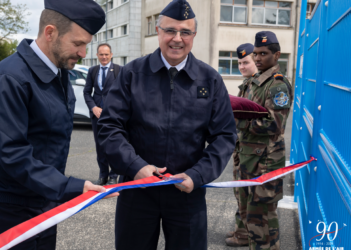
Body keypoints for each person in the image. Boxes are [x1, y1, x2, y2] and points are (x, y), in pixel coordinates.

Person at [0, 0, 118, 249]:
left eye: (86, 45)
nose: (84, 54)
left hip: (41, 196)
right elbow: (12, 152)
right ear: (50, 33)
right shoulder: (9, 78)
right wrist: (71, 186)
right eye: (78, 43)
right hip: (8, 205)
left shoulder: (58, 73)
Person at [97, 0, 237, 249]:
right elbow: (110, 127)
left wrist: (197, 175)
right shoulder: (132, 74)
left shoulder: (210, 79)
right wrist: (135, 166)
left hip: (187, 192)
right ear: (158, 31)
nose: (177, 38)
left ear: (194, 35)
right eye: (170, 30)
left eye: (185, 32)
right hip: (137, 189)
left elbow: (225, 136)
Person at [225, 31, 293, 249]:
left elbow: (274, 124)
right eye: (256, 54)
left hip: (264, 163)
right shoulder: (256, 82)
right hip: (248, 159)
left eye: (263, 54)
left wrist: (238, 122)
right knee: (250, 218)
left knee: (262, 221)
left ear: (277, 55)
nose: (257, 58)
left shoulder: (277, 85)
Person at [226, 43, 259, 246]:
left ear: (256, 61)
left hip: (255, 152)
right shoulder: (247, 85)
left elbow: (269, 122)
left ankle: (245, 233)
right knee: (240, 192)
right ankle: (242, 230)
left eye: (246, 62)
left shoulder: (262, 86)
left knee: (249, 194)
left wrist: (235, 121)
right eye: (239, 63)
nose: (242, 67)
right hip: (243, 148)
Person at [84, 43, 121, 185]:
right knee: (100, 147)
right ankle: (103, 175)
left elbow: (124, 93)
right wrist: (93, 107)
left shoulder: (119, 70)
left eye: (106, 54)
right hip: (97, 116)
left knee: (114, 145)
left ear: (111, 55)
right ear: (97, 55)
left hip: (114, 116)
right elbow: (87, 92)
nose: (104, 57)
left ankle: (113, 176)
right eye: (101, 54)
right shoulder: (92, 71)